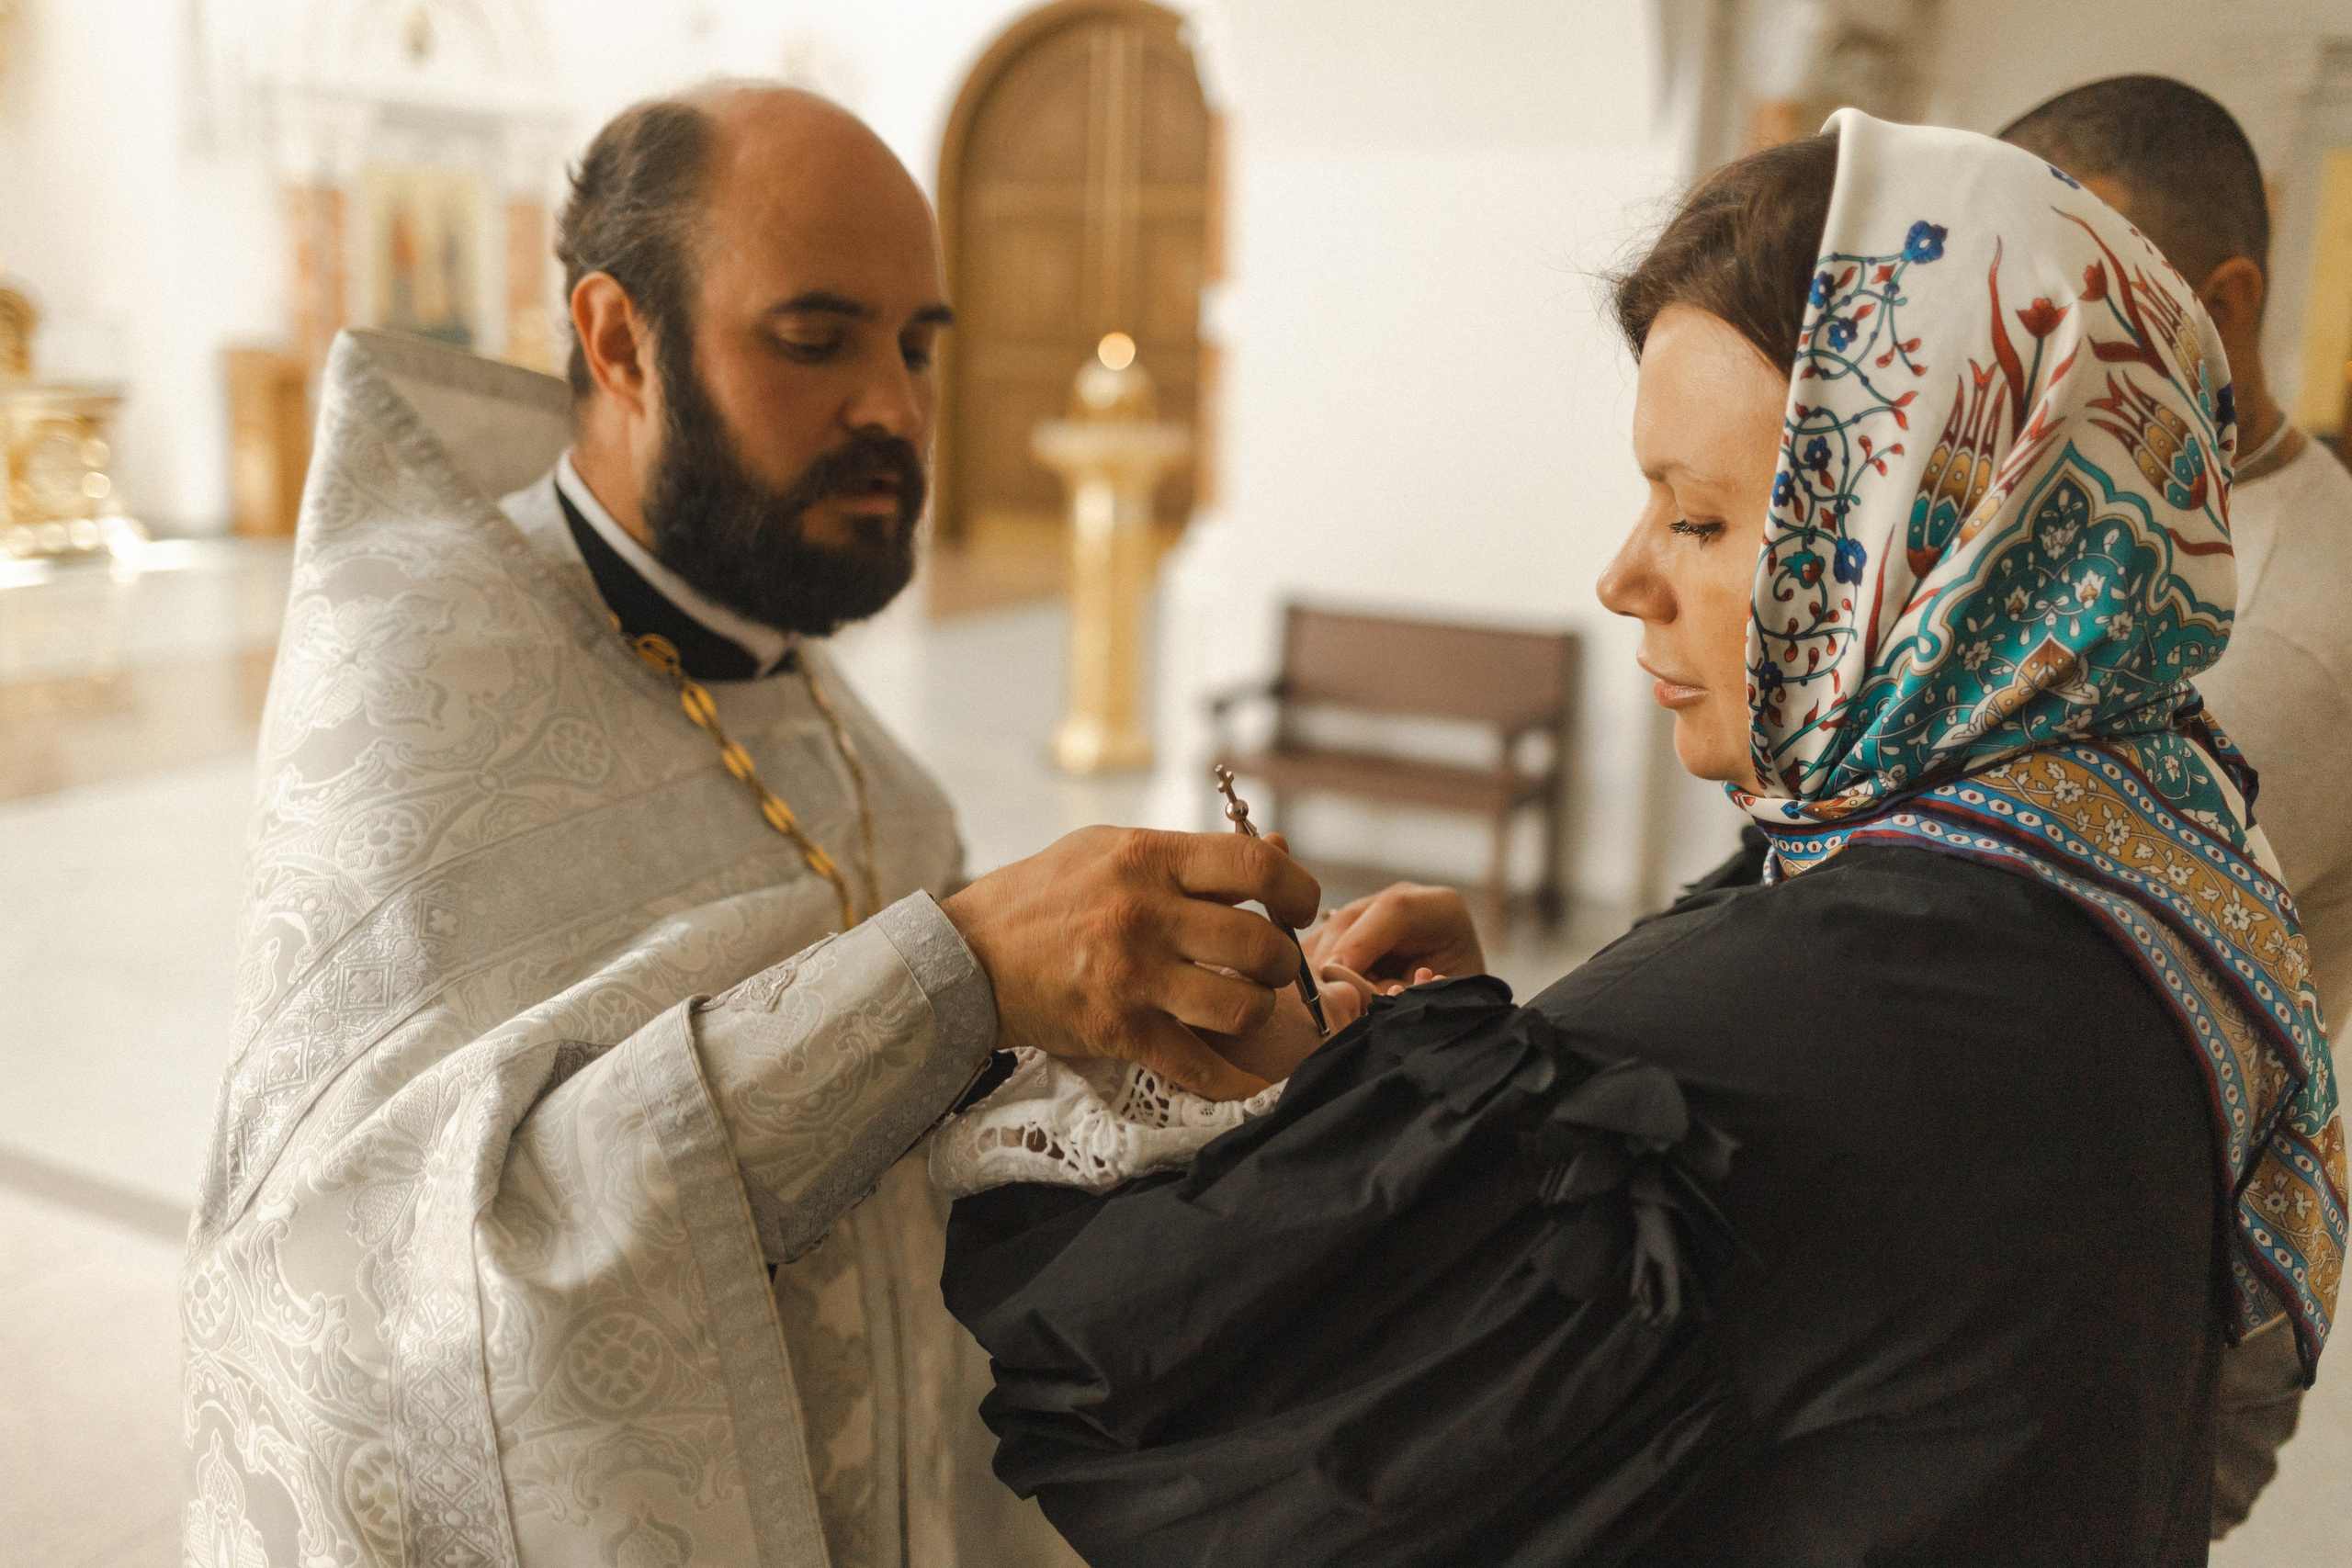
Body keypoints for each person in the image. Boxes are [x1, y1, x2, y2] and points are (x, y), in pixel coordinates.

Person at [930, 111, 2345, 1566]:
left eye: (1702, 518)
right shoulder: (2140, 825)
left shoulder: (1824, 1007)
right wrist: (1500, 1073)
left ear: (1920, 534)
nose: (1622, 577)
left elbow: (1160, 1421)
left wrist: (1023, 1020)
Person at [180, 84, 1322, 1568]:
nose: (895, 408)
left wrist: (1201, 1019)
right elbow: (375, 1287)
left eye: (917, 344)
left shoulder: (830, 716)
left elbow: (938, 1141)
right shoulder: (411, 709)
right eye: (814, 339)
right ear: (617, 340)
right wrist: (951, 972)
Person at [1999, 76, 2352, 1533]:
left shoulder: (2286, 633)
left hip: (2142, 1287)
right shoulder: (2118, 490)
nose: (2025, 357)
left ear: (2224, 299)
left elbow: (1997, 947)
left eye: (2087, 310)